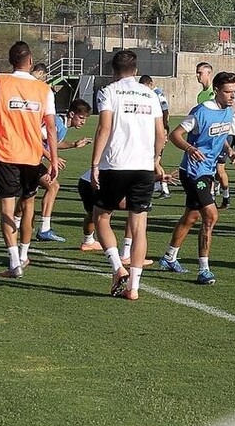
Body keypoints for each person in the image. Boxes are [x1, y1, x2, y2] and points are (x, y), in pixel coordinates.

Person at [0, 41, 59, 279]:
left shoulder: (0, 83)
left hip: (6, 155)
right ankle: (25, 253)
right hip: (32, 156)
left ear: (10, 61)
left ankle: (14, 262)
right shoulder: (44, 89)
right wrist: (55, 160)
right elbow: (50, 127)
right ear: (30, 61)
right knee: (27, 206)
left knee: (7, 209)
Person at [90, 50, 166, 300]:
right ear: (135, 70)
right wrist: (156, 159)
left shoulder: (109, 92)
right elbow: (160, 132)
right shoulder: (150, 93)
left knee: (101, 216)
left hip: (115, 164)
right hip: (143, 167)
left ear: (113, 70)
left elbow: (104, 128)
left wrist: (94, 164)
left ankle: (116, 267)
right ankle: (134, 287)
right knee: (139, 227)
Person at [160, 70, 235, 285]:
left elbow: (219, 134)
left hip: (208, 171)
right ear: (216, 91)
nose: (232, 96)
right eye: (228, 92)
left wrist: (229, 149)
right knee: (211, 216)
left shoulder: (228, 111)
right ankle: (204, 269)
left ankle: (169, 257)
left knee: (191, 217)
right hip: (194, 172)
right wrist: (190, 148)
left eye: (234, 92)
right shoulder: (201, 112)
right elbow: (174, 135)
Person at [33, 98, 93, 242]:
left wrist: (73, 144)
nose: (83, 122)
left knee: (28, 195)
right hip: (29, 159)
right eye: (81, 118)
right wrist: (52, 158)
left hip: (33, 160)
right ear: (72, 114)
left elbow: (54, 143)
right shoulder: (57, 123)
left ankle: (18, 224)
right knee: (53, 186)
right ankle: (44, 229)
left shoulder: (62, 125)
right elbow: (35, 139)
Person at [140, 74, 171, 196]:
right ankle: (158, 186)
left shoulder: (157, 94)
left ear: (151, 84)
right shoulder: (147, 95)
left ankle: (164, 188)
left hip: (159, 132)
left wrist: (163, 129)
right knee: (154, 161)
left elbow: (165, 111)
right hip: (152, 131)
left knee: (155, 162)